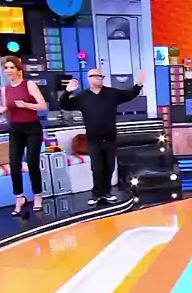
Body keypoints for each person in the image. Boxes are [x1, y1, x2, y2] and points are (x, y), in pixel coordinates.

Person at [59, 67, 147, 205]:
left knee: (109, 167)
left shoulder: (112, 93)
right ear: (89, 78)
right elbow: (65, 105)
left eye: (102, 76)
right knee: (97, 168)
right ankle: (96, 194)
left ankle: (106, 192)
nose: (100, 79)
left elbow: (129, 94)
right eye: (97, 76)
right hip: (94, 140)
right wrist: (67, 91)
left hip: (110, 139)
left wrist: (140, 83)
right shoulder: (83, 97)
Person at [0, 56, 47, 215]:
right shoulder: (5, 89)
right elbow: (7, 111)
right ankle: (19, 197)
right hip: (15, 129)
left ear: (18, 70)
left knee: (32, 162)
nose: (8, 71)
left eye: (12, 67)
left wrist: (26, 105)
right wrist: (4, 110)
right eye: (6, 68)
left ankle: (38, 195)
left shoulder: (29, 84)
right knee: (14, 164)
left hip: (32, 128)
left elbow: (42, 105)